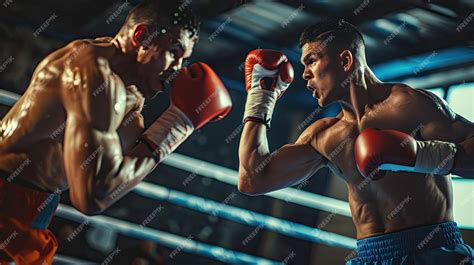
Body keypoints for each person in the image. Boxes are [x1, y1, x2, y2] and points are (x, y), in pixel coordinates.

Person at [0, 0, 232, 263]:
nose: (178, 68)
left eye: (184, 59)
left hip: (33, 210)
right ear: (142, 36)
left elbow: (113, 180)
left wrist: (174, 125)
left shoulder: (131, 93)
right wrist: (178, 125)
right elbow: (91, 197)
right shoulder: (93, 74)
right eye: (173, 51)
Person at [237, 20, 473, 264]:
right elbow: (253, 180)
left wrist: (420, 155)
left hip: (433, 252)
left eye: (311, 61)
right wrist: (260, 98)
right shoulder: (324, 135)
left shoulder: (409, 104)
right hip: (368, 257)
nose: (305, 74)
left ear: (345, 60)